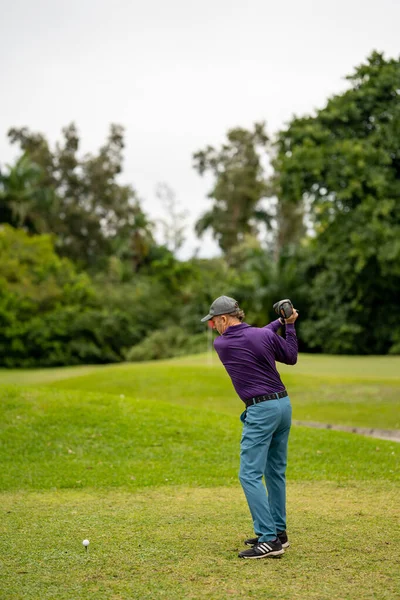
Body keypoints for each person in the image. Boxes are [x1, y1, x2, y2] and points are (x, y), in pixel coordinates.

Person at [201, 295, 298, 559]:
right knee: (274, 472)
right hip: (283, 406)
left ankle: (269, 540)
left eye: (213, 322)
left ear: (223, 319)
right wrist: (287, 324)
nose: (213, 328)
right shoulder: (260, 336)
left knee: (249, 475)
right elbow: (289, 355)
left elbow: (258, 334)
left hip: (261, 410)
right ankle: (279, 532)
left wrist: (279, 322)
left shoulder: (222, 343)